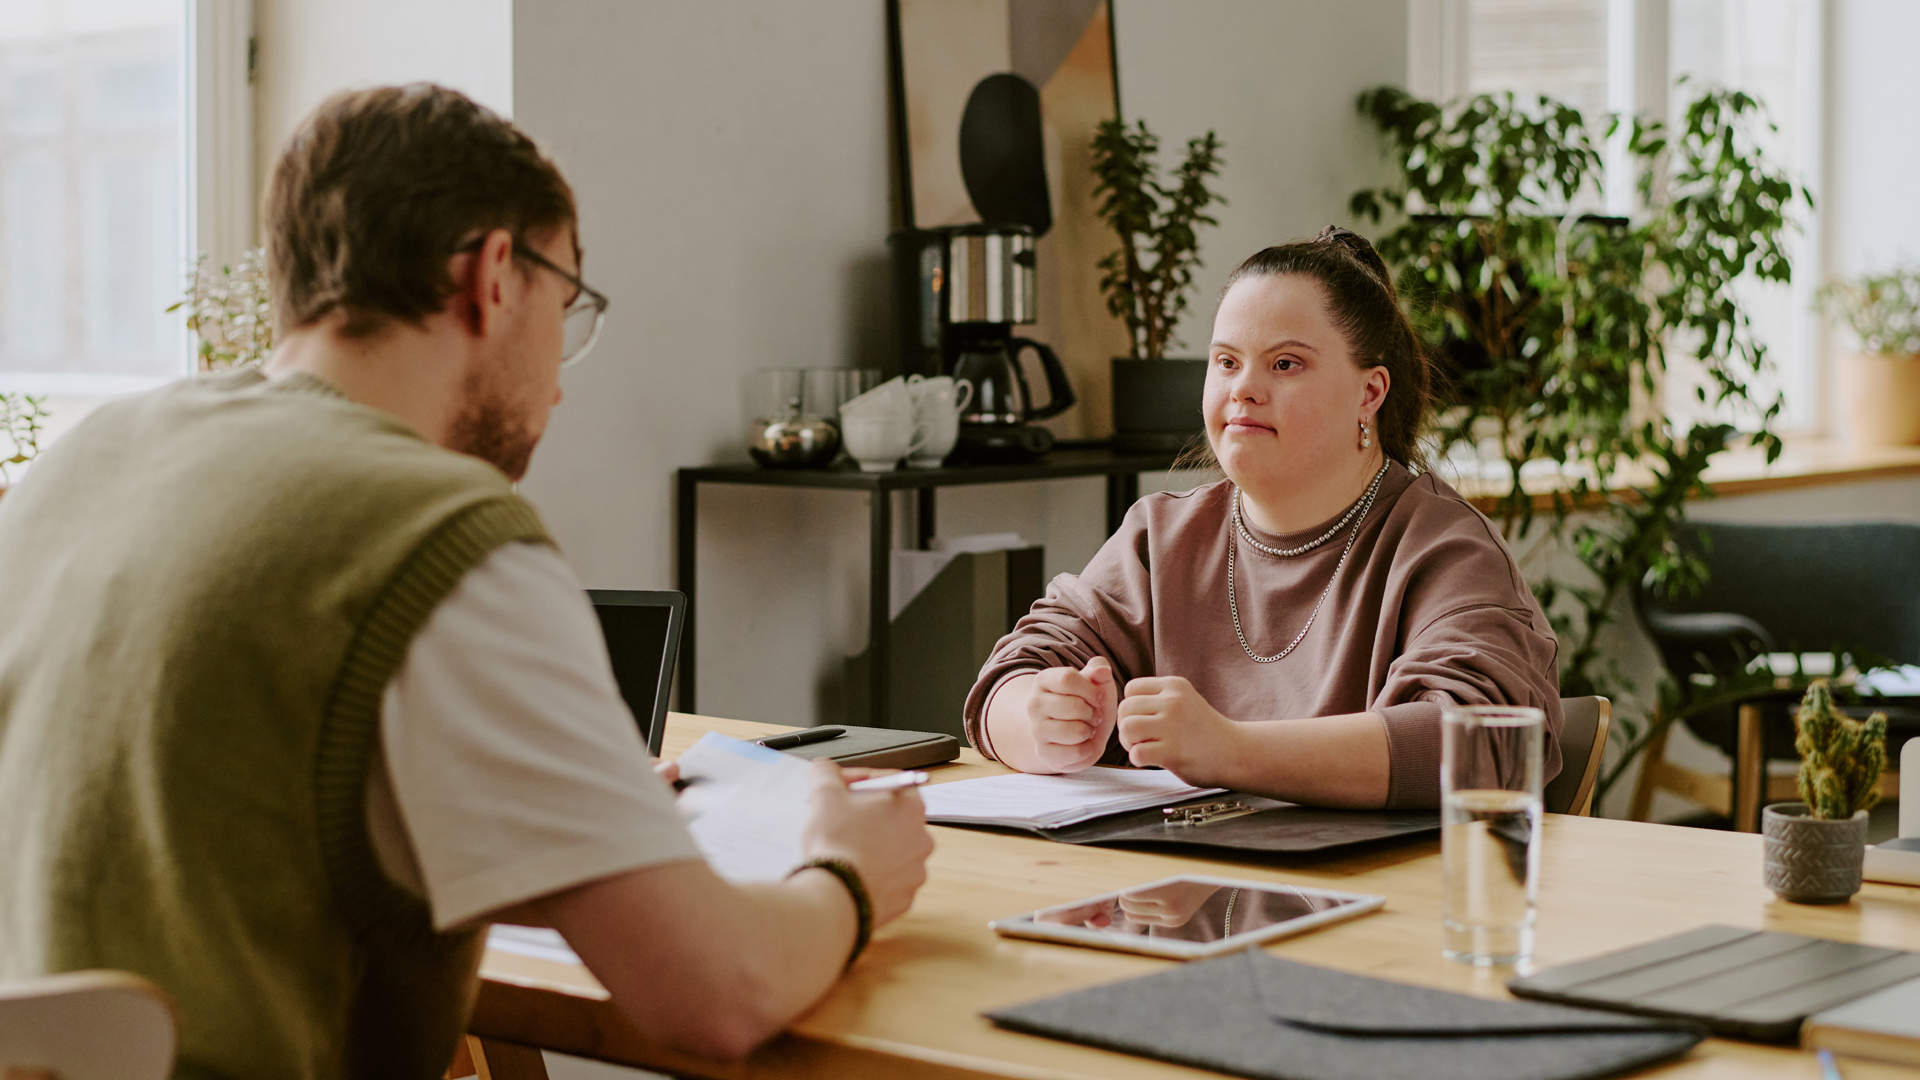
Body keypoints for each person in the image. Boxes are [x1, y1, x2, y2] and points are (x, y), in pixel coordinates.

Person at [0, 85, 932, 1079]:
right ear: (494, 274)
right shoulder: (442, 536)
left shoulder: (83, 461)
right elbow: (720, 993)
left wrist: (574, 837)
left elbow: (221, 858)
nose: (563, 380)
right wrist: (846, 872)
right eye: (566, 307)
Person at [965, 228, 1564, 809]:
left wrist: (1230, 749)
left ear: (1370, 392)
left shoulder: (1443, 546)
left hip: (1387, 900)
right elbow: (1005, 681)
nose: (1243, 389)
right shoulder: (1160, 538)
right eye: (1226, 362)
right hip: (1185, 896)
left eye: (1285, 365)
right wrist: (1041, 717)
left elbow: (1486, 739)